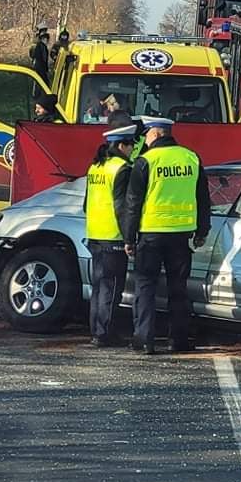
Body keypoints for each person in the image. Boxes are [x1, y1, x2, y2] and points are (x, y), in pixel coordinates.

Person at [122, 117, 211, 355]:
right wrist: (202, 231)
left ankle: (144, 340)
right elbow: (203, 197)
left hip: (151, 235)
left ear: (157, 133)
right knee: (178, 289)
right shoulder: (191, 157)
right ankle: (178, 340)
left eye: (147, 133)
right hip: (181, 236)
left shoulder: (146, 161)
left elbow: (133, 203)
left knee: (145, 287)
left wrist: (128, 238)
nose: (145, 138)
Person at [84, 124, 137, 347]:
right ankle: (105, 333)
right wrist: (128, 238)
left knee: (99, 286)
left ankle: (96, 330)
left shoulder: (96, 166)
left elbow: (87, 203)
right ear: (122, 145)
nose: (133, 150)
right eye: (131, 146)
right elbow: (121, 207)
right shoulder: (121, 168)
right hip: (112, 236)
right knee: (112, 287)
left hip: (95, 233)